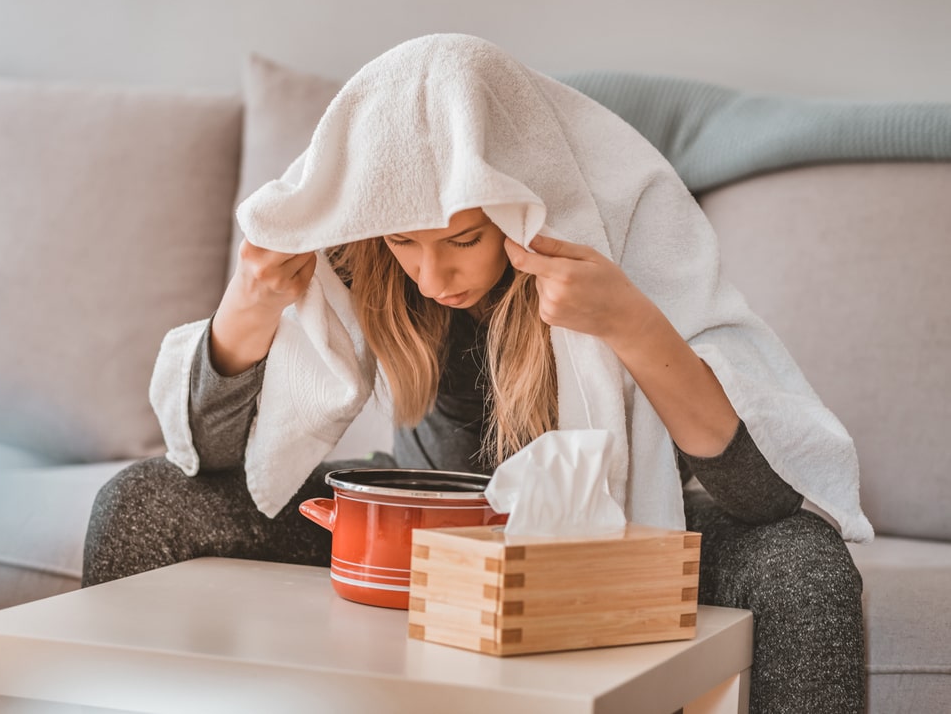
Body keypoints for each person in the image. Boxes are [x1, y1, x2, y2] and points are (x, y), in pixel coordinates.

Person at [83, 35, 868, 714]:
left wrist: (629, 321)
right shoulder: (367, 266)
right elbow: (213, 461)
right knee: (143, 502)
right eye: (405, 244)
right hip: (427, 530)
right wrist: (245, 313)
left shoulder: (598, 231)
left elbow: (765, 495)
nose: (431, 277)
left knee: (802, 566)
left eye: (462, 238)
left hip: (607, 531)